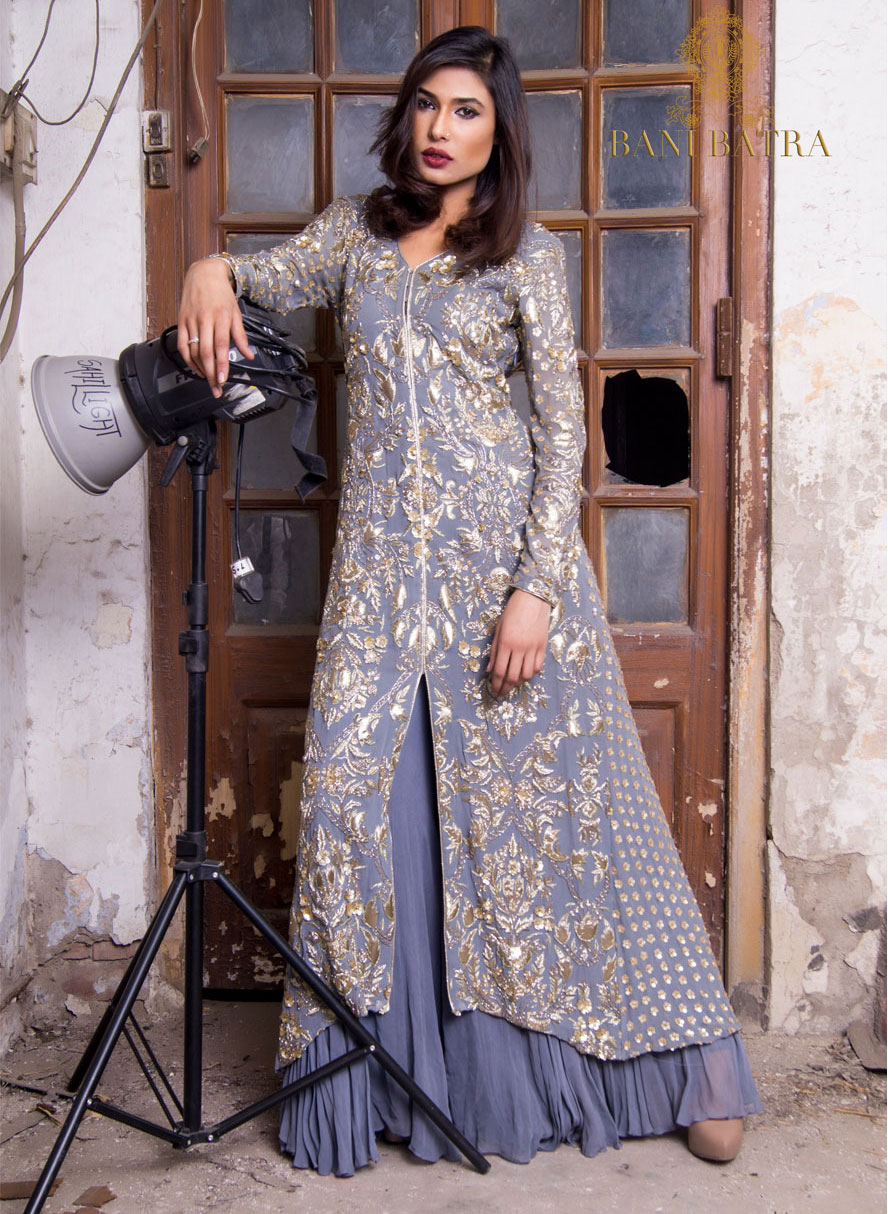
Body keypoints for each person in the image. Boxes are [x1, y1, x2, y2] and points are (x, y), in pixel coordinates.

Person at [177, 25, 762, 1179]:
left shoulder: (526, 258)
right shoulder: (354, 235)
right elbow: (259, 276)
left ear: (499, 138)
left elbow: (561, 438)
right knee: (352, 817)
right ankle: (379, 1085)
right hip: (377, 595)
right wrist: (206, 267)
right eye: (431, 106)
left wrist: (536, 591)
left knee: (549, 837)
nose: (443, 131)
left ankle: (660, 1062)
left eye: (469, 113)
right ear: (409, 117)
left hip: (506, 583)